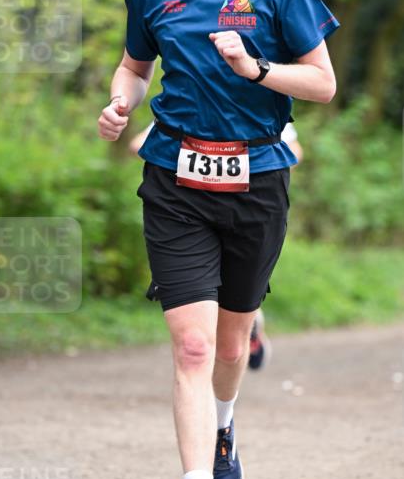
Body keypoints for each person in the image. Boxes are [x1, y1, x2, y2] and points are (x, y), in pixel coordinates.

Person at [98, 0, 339, 479]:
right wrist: (119, 102)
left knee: (232, 348)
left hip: (256, 180)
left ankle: (225, 428)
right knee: (194, 348)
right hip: (174, 178)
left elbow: (322, 84)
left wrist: (257, 69)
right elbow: (134, 67)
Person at [129, 119, 303, 371]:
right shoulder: (187, 106)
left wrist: (265, 163)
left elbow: (294, 148)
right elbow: (137, 143)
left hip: (252, 207)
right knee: (196, 335)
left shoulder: (262, 103)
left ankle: (246, 326)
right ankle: (211, 356)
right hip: (190, 208)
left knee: (230, 325)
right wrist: (179, 154)